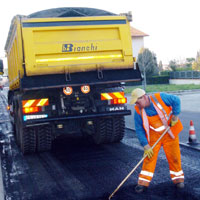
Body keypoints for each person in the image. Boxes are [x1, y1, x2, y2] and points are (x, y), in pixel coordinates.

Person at [130, 88, 184, 193]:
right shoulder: (138, 111)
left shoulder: (160, 97)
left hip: (170, 132)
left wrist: (175, 116)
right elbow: (139, 129)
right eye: (135, 102)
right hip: (154, 136)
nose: (137, 104)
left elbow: (176, 100)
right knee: (149, 158)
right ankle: (143, 183)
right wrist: (145, 145)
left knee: (174, 157)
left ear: (144, 97)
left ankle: (178, 180)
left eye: (138, 101)